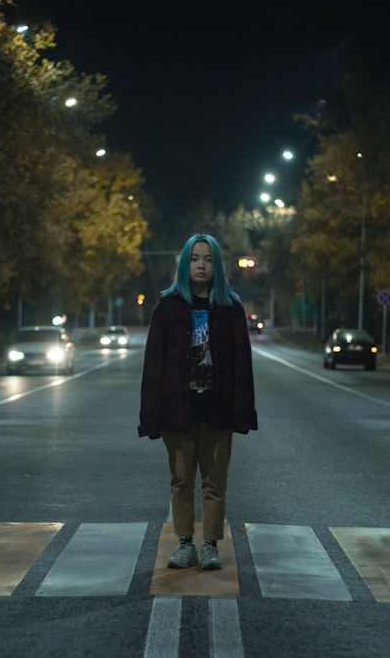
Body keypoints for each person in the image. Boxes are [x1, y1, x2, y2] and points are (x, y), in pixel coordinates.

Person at [138, 233, 258, 570]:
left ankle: (210, 546)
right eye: (194, 259)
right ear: (184, 263)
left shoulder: (230, 308)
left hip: (218, 410)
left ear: (216, 266)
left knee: (214, 483)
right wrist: (151, 416)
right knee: (181, 480)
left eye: (207, 259)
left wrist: (243, 412)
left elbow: (242, 366)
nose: (201, 265)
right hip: (178, 410)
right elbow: (153, 366)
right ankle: (184, 544)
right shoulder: (167, 308)